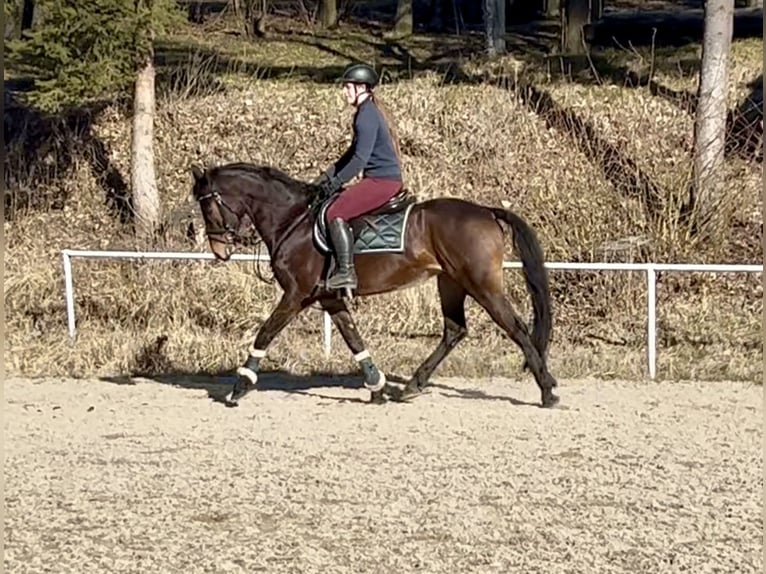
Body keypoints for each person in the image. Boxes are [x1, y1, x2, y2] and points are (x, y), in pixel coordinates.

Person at [314, 63, 404, 292]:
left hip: (382, 181)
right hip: (379, 179)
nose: (344, 92)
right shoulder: (367, 112)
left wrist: (336, 183)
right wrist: (327, 176)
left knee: (335, 212)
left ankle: (346, 272)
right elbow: (350, 154)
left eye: (348, 87)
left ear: (361, 87)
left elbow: (359, 160)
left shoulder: (366, 116)